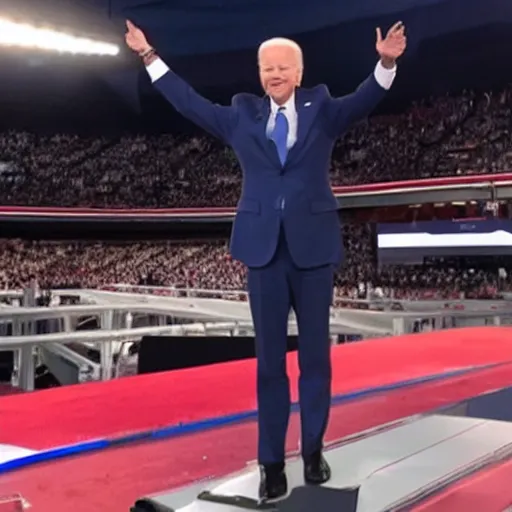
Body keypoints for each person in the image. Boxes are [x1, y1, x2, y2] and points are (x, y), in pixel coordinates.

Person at [125, 21, 406, 501]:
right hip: (263, 251)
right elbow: (189, 102)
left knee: (316, 360)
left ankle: (313, 450)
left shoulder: (323, 110)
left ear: (299, 72)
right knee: (269, 365)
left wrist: (386, 63)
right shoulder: (241, 114)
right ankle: (272, 462)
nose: (274, 74)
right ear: (260, 74)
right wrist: (150, 55)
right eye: (266, 68)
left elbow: (364, 100)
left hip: (313, 251)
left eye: (282, 67)